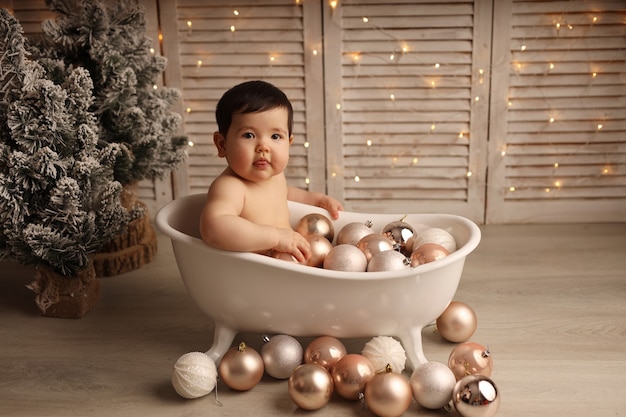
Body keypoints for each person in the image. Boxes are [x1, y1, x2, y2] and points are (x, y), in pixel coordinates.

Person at [199, 80, 343, 263]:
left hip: (288, 261)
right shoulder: (230, 187)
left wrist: (315, 199)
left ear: (289, 143)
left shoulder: (275, 177)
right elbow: (214, 227)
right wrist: (275, 237)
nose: (263, 147)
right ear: (222, 144)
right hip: (257, 272)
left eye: (275, 136)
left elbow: (284, 194)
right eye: (248, 135)